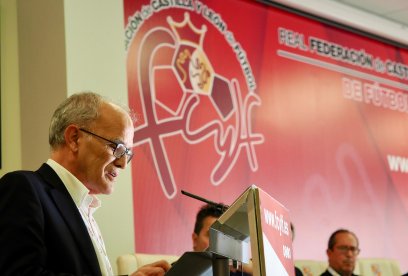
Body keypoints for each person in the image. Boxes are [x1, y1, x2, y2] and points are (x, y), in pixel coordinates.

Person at [0, 92, 170, 275]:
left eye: (127, 154)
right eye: (118, 148)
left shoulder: (83, 208)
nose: (122, 163)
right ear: (74, 138)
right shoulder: (23, 188)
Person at [192, 203, 252, 276]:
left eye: (224, 237)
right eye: (212, 235)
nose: (219, 244)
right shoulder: (179, 271)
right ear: (195, 240)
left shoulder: (241, 272)